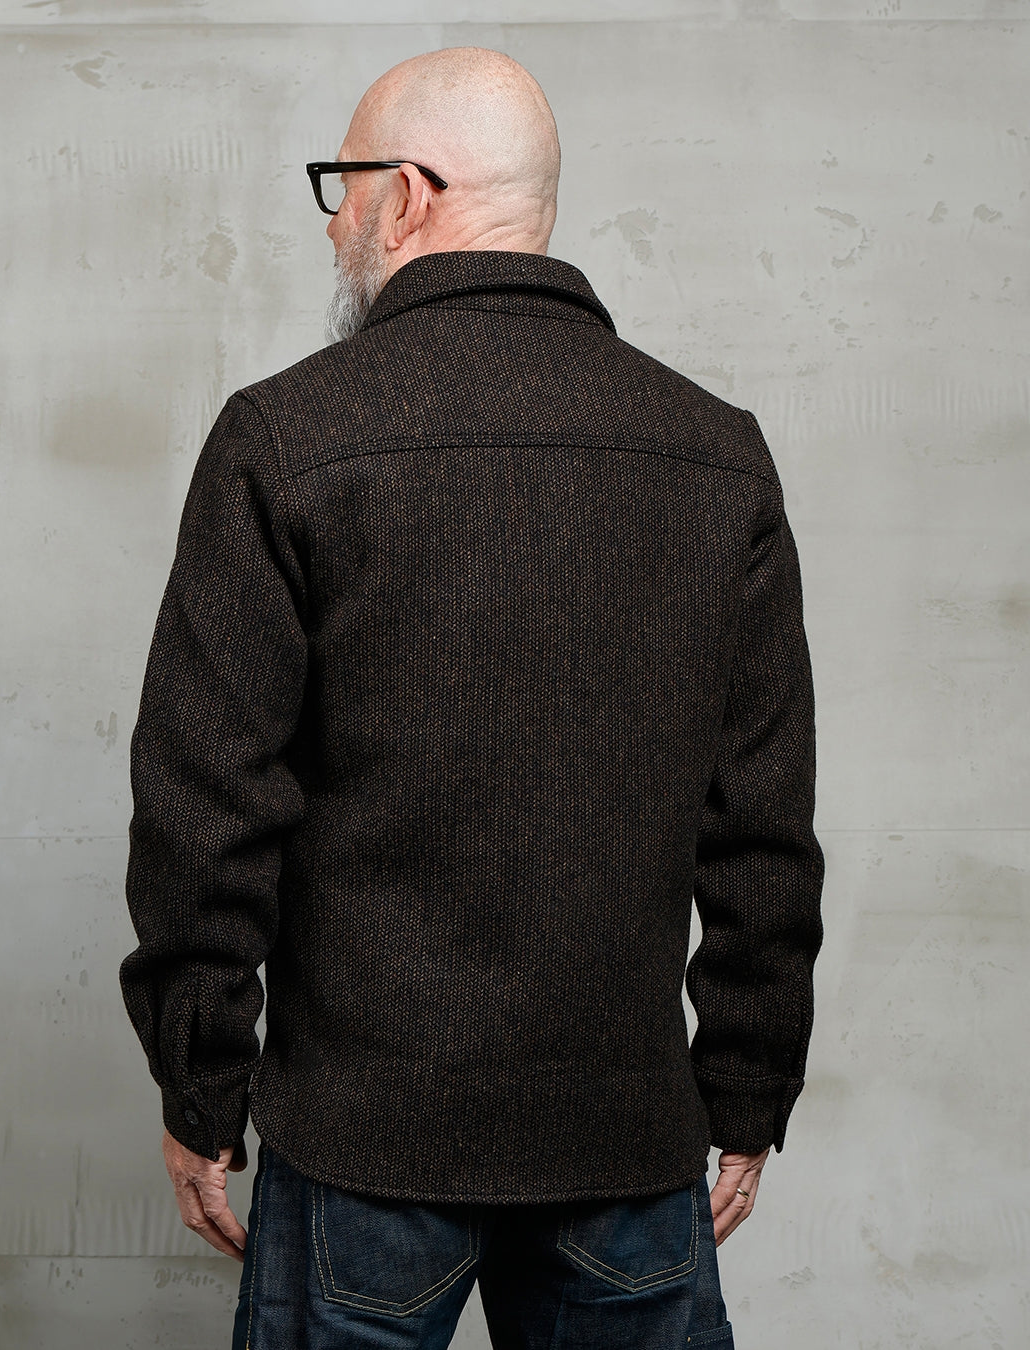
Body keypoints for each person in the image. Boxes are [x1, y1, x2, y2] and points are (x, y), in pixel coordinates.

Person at [120, 45, 824, 1350]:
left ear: (410, 193)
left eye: (342, 187)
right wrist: (747, 1079)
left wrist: (201, 1085)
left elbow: (208, 805)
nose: (334, 222)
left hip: (363, 1142)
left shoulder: (284, 438)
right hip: (621, 1136)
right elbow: (762, 824)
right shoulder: (717, 455)